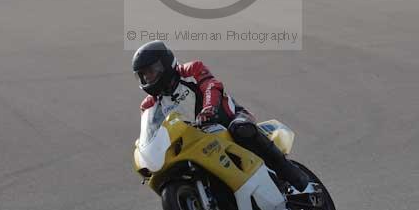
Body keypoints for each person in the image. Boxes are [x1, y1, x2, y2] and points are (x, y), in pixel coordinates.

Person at [132, 40, 308, 191]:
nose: (148, 77)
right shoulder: (149, 105)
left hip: (227, 117)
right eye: (143, 75)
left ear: (165, 63)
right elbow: (152, 131)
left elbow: (211, 86)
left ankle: (291, 174)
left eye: (151, 70)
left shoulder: (191, 70)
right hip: (194, 139)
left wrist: (209, 110)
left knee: (241, 129)